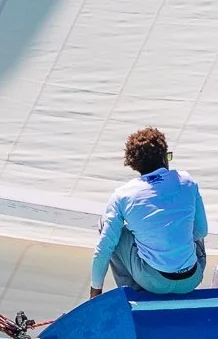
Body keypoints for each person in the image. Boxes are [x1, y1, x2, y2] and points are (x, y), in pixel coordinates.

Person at [89, 128, 209, 298]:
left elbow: (103, 250)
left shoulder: (123, 195)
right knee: (189, 220)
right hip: (192, 279)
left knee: (107, 228)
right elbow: (202, 231)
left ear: (134, 164)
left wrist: (95, 294)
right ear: (163, 157)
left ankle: (132, 292)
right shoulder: (187, 181)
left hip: (153, 282)